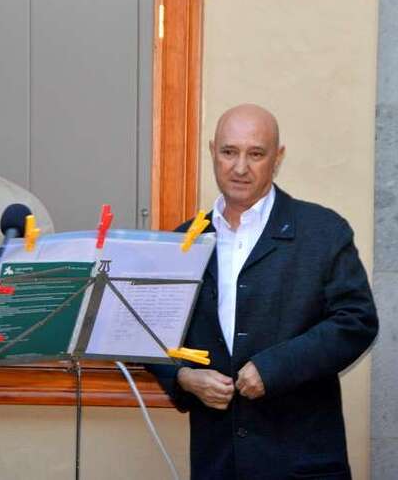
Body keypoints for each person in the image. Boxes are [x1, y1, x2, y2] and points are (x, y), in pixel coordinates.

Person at [149, 103, 378, 480]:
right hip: (217, 462)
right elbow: (150, 333)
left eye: (255, 154)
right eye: (228, 152)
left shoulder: (323, 231)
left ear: (278, 157)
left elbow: (357, 323)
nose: (240, 167)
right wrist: (184, 378)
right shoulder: (183, 240)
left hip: (302, 460)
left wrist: (273, 369)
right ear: (212, 152)